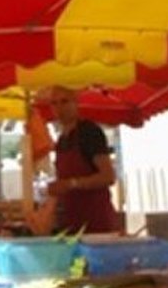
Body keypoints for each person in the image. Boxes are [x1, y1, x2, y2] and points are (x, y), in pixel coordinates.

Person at [45, 86, 119, 234]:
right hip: (72, 223)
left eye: (64, 101)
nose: (59, 108)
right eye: (54, 103)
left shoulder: (89, 132)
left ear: (76, 102)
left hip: (96, 223)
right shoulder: (61, 140)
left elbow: (108, 176)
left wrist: (72, 184)